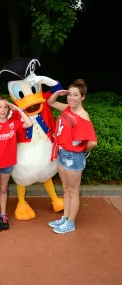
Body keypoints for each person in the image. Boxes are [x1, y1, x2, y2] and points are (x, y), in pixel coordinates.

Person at [47, 79, 97, 234]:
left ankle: (70, 223)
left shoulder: (83, 116)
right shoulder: (68, 108)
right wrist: (57, 92)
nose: (71, 98)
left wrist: (82, 151)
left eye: (75, 95)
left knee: (73, 191)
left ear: (82, 97)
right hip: (61, 152)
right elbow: (50, 102)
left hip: (73, 156)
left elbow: (93, 142)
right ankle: (66, 216)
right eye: (69, 94)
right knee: (66, 189)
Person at [0, 97, 32, 232]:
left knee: (3, 190)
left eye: (5, 107)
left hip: (7, 164)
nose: (2, 110)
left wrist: (18, 110)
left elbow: (29, 123)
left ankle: (3, 215)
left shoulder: (12, 124)